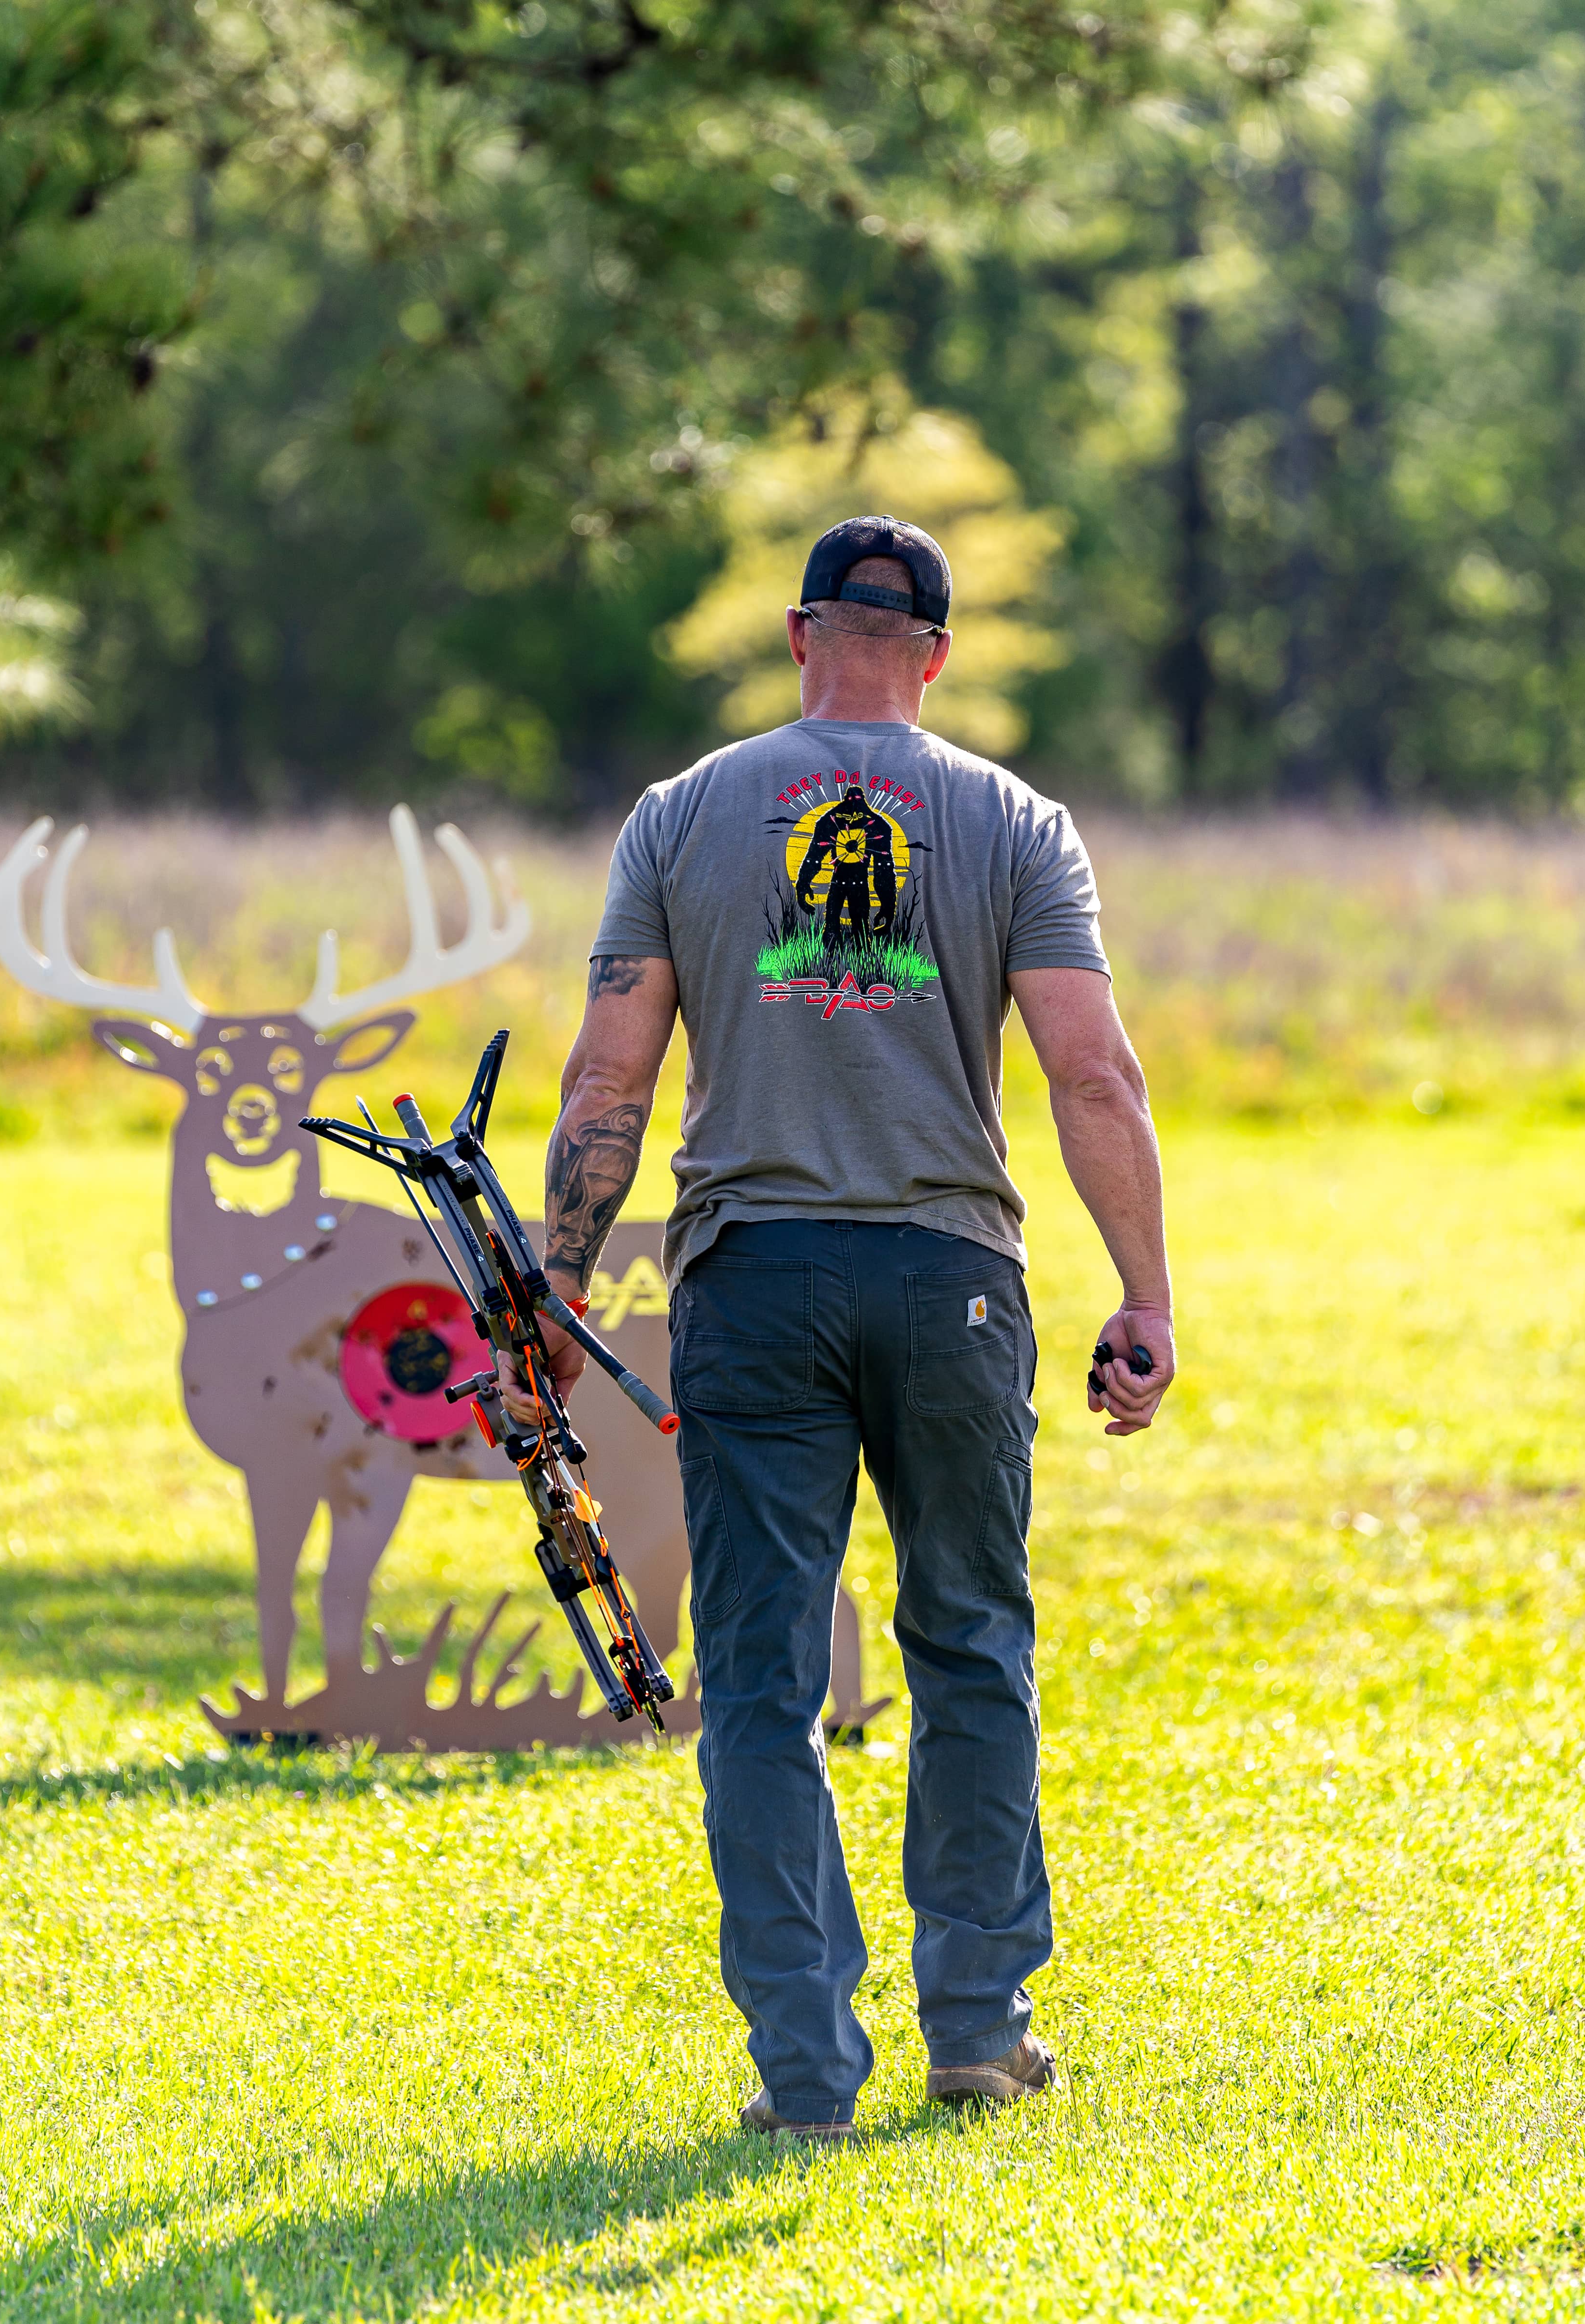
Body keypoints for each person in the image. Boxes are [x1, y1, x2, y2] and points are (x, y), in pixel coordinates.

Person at [503, 514, 1174, 2140]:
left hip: (752, 1281)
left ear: (803, 636)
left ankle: (806, 2072)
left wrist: (558, 1288)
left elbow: (608, 1082)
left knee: (757, 1680)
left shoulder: (680, 816)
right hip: (952, 1281)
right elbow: (1093, 1073)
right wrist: (1145, 1296)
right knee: (969, 1646)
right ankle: (977, 2028)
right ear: (935, 657)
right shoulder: (1018, 823)